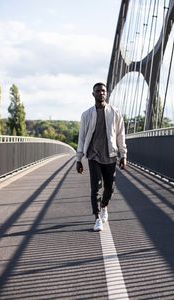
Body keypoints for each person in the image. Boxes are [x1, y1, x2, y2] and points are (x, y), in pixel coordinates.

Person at [76, 82, 127, 231]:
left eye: (103, 91)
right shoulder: (86, 115)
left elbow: (120, 134)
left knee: (109, 188)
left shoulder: (115, 113)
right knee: (95, 188)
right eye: (98, 91)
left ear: (107, 93)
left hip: (110, 155)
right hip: (93, 155)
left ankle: (104, 206)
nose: (101, 93)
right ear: (93, 94)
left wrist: (123, 155)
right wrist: (78, 159)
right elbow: (82, 137)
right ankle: (97, 217)